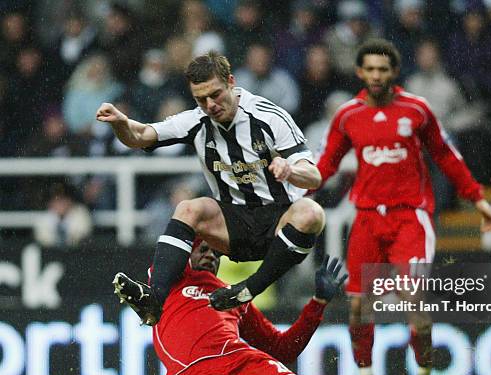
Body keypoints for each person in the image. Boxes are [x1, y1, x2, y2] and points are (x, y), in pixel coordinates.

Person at [316, 39, 491, 375]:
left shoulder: (417, 110)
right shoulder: (348, 115)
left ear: (394, 72)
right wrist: (297, 190)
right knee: (358, 306)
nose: (377, 75)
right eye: (371, 69)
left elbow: (446, 155)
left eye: (384, 69)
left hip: (410, 217)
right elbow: (326, 166)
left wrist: (477, 198)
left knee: (413, 298)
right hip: (366, 218)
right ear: (360, 72)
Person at [95, 51, 325, 317]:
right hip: (234, 225)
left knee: (312, 212)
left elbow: (314, 176)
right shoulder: (196, 119)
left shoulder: (269, 118)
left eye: (215, 94)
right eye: (201, 99)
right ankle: (153, 299)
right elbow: (141, 135)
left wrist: (290, 170)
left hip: (279, 224)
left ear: (231, 82)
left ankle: (249, 288)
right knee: (189, 207)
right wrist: (121, 123)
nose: (210, 104)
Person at [112, 243, 405, 375]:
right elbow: (169, 252)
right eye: (203, 249)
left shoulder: (233, 296)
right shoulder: (168, 283)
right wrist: (144, 296)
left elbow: (283, 349)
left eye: (216, 253)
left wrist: (318, 302)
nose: (211, 256)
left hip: (247, 367)